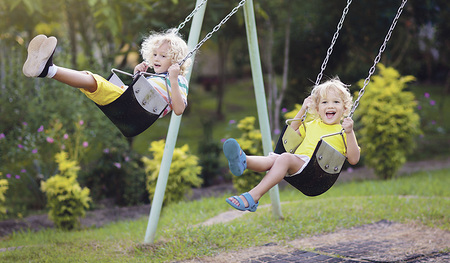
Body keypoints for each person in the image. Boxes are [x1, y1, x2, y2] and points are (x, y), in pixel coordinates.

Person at [223, 78, 360, 212]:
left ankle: (253, 196)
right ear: (317, 109)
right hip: (298, 163)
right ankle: (243, 160)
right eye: (325, 102)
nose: (330, 106)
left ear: (345, 108)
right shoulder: (311, 124)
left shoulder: (343, 132)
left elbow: (353, 159)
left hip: (316, 173)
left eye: (336, 102)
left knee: (284, 158)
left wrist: (349, 132)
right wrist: (302, 109)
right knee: (275, 158)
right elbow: (292, 132)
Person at [22, 29, 191, 117]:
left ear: (176, 60)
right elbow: (140, 92)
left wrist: (174, 79)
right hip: (128, 101)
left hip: (135, 110)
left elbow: (178, 109)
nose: (157, 58)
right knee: (87, 76)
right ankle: (46, 69)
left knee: (93, 81)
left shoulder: (178, 80)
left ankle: (47, 69)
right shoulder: (154, 77)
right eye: (154, 54)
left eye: (163, 56)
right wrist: (137, 76)